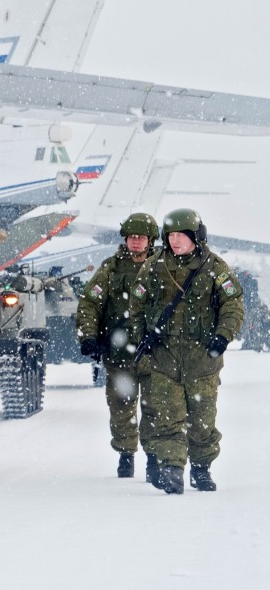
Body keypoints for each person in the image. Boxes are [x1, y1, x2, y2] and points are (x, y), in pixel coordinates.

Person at [128, 208, 244, 494]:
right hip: (164, 357)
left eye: (182, 235)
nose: (176, 241)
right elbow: (137, 304)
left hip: (202, 358)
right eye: (171, 236)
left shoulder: (214, 267)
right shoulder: (154, 267)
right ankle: (173, 469)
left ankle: (201, 469)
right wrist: (142, 333)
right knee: (168, 417)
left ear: (196, 236)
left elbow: (233, 303)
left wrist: (223, 335)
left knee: (203, 419)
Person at [76, 212, 159, 480]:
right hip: (119, 353)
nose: (136, 241)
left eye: (141, 237)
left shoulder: (162, 268)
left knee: (155, 408)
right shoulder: (110, 269)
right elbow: (90, 303)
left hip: (154, 354)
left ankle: (154, 457)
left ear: (150, 240)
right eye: (132, 237)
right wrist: (88, 336)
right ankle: (126, 456)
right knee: (121, 407)